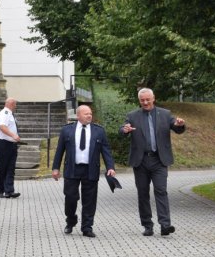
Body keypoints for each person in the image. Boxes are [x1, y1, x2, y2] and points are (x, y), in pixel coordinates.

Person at [120, 88, 185, 236]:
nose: (145, 102)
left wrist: (180, 124)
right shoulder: (132, 116)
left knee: (161, 191)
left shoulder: (165, 114)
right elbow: (123, 129)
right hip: (141, 161)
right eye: (142, 100)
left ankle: (165, 225)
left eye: (147, 99)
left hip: (159, 160)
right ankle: (147, 225)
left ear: (153, 98)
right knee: (143, 194)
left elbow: (177, 128)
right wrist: (125, 130)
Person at [52, 105, 115, 238]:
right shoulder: (67, 130)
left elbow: (106, 151)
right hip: (72, 169)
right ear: (78, 115)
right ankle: (70, 220)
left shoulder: (99, 131)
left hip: (90, 169)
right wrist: (55, 168)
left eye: (90, 114)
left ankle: (87, 227)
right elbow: (59, 150)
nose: (89, 116)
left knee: (89, 200)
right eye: (86, 114)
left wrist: (110, 167)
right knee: (70, 197)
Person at [0, 98, 21, 198]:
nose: (16, 106)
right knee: (2, 168)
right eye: (15, 104)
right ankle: (1, 190)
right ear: (11, 104)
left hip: (11, 145)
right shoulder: (4, 113)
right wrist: (13, 136)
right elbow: (2, 127)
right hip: (3, 144)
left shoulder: (10, 114)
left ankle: (9, 191)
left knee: (11, 168)